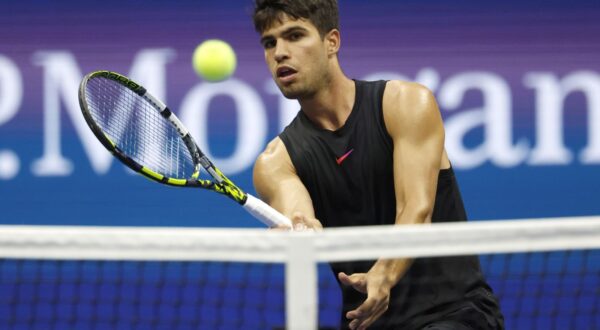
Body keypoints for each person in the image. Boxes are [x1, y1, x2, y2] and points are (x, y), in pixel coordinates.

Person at [251, 1, 504, 329]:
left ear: (332, 41)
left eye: (294, 36)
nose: (280, 53)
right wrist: (302, 233)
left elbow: (416, 209)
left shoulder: (406, 104)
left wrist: (384, 275)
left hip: (454, 315)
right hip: (366, 323)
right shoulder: (275, 162)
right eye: (270, 43)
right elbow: (301, 217)